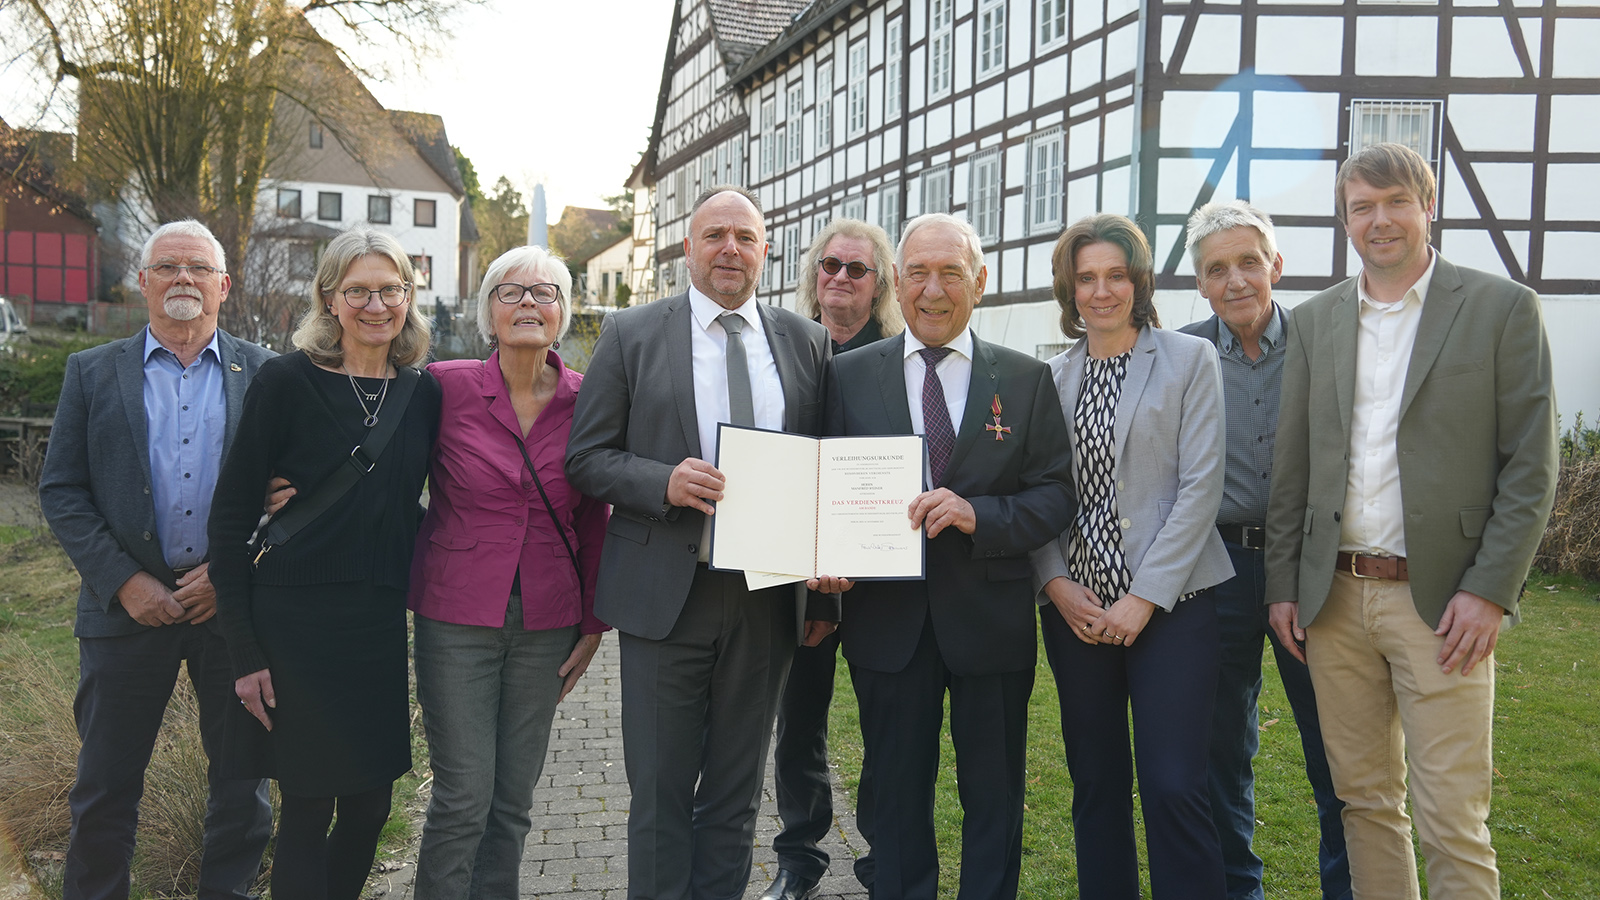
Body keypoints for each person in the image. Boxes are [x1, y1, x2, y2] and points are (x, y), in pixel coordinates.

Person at [1265, 142, 1558, 900]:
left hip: (1444, 604)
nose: (1380, 220)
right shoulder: (1315, 320)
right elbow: (1291, 468)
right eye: (1362, 206)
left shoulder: (1501, 307)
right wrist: (1284, 586)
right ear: (1345, 221)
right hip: (1332, 601)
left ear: (1429, 207)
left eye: (1397, 201)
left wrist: (1490, 590)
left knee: (1451, 817)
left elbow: (1531, 468)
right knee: (1363, 804)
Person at [564, 185, 838, 900]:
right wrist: (663, 481)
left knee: (736, 792)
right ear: (688, 248)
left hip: (768, 598)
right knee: (658, 792)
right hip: (666, 598)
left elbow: (822, 466)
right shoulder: (631, 333)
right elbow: (586, 458)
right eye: (715, 234)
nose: (730, 249)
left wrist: (828, 574)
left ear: (766, 251)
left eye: (746, 237)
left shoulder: (805, 341)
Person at [824, 212, 1074, 900]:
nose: (934, 291)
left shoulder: (1024, 379)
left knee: (993, 800)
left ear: (980, 282)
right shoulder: (847, 377)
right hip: (886, 624)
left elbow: (1056, 495)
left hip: (989, 627)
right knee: (895, 802)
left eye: (952, 273)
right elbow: (824, 488)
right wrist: (825, 567)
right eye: (919, 274)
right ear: (897, 284)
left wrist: (979, 514)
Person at [38, 219, 274, 900]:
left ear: (223, 286)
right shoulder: (91, 372)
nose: (183, 279)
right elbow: (61, 489)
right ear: (141, 282)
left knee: (242, 784)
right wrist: (123, 580)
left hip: (231, 612)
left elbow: (288, 495)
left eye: (199, 268)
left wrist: (236, 570)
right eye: (167, 266)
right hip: (124, 612)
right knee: (105, 786)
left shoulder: (264, 374)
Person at [208, 226, 442, 900]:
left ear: (408, 297)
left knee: (371, 806)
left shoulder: (422, 394)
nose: (376, 305)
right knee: (308, 807)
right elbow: (228, 522)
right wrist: (244, 652)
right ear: (330, 300)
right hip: (292, 626)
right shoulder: (286, 381)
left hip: (372, 626)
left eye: (389, 289)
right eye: (358, 291)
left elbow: (410, 506)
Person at [1031, 213, 1232, 899]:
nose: (1102, 290)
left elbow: (1202, 487)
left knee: (1175, 785)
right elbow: (1037, 494)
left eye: (1116, 275)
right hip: (1077, 615)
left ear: (1139, 281)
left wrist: (1143, 598)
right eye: (1086, 277)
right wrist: (1056, 584)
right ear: (1070, 288)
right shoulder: (1049, 379)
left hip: (1173, 608)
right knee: (1097, 785)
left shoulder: (1188, 360)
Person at [408, 245, 609, 898]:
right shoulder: (444, 385)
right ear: (487, 312)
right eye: (512, 292)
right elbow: (381, 472)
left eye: (545, 292)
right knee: (464, 796)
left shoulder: (589, 401)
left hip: (548, 622)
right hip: (456, 615)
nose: (529, 302)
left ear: (564, 314)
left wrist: (593, 625)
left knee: (513, 801)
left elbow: (594, 521)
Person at [1180, 200, 1350, 900]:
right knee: (1221, 753)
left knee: (1337, 748)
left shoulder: (1325, 346)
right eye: (1217, 269)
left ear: (1277, 266)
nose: (1236, 280)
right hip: (1215, 566)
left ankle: (1349, 886)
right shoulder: (1183, 356)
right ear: (1200, 285)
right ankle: (1236, 890)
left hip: (1310, 567)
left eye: (1249, 261)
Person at [763, 217, 902, 900]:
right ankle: (799, 858)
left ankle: (881, 862)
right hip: (799, 580)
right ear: (812, 273)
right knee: (799, 728)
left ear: (879, 287)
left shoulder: (903, 358)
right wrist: (818, 595)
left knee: (883, 727)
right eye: (830, 264)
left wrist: (856, 573)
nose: (840, 278)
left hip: (881, 584)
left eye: (857, 269)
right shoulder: (784, 352)